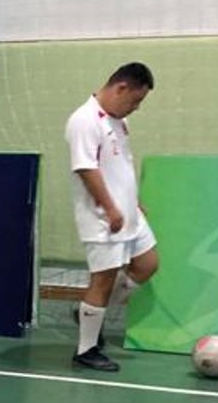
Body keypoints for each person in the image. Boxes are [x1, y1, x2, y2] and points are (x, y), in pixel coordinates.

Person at [65, 62, 159, 372]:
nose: (136, 108)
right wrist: (110, 207)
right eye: (136, 100)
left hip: (127, 212)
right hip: (104, 217)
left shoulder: (118, 121)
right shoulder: (84, 120)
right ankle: (86, 349)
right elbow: (86, 168)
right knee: (102, 280)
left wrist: (134, 201)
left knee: (147, 265)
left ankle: (90, 315)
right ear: (121, 88)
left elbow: (119, 166)